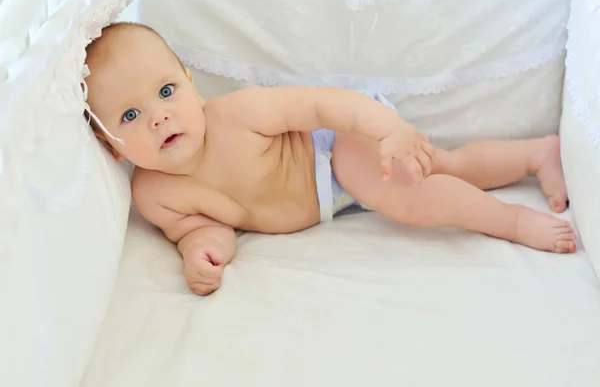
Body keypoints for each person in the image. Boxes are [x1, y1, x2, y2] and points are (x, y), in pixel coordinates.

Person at [84, 22, 576, 296]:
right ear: (110, 147)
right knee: (448, 166)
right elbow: (203, 227)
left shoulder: (238, 113)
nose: (159, 117)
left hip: (341, 146)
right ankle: (535, 153)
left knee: (414, 198)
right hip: (335, 199)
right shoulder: (154, 194)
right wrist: (201, 254)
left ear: (190, 82)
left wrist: (388, 129)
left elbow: (321, 105)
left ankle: (508, 221)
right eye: (129, 115)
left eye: (166, 90)